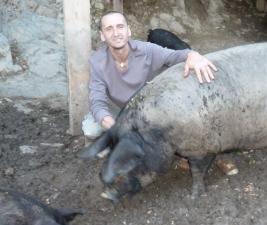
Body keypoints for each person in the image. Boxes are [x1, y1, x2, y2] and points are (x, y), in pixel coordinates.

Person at [82, 11, 217, 140]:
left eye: (120, 27)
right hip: (118, 109)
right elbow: (97, 102)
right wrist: (116, 128)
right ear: (102, 35)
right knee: (91, 128)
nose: (116, 33)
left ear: (128, 30)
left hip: (145, 106)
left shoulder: (146, 50)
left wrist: (193, 55)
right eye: (109, 29)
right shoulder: (97, 62)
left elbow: (175, 55)